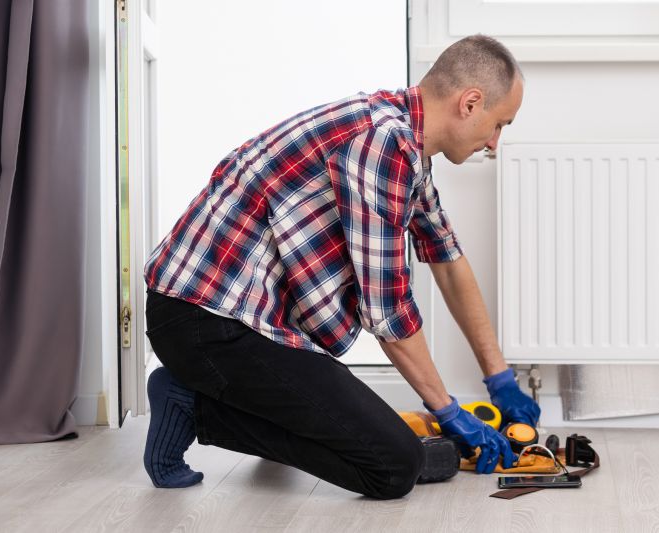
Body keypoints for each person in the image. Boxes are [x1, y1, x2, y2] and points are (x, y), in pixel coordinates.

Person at [141, 33, 540, 498]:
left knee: (341, 426)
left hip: (244, 321)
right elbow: (386, 310)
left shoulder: (406, 143)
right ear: (470, 103)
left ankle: (212, 400)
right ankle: (189, 404)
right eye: (499, 125)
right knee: (393, 468)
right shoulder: (381, 144)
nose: (494, 143)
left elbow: (447, 259)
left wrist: (501, 379)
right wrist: (446, 409)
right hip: (204, 321)